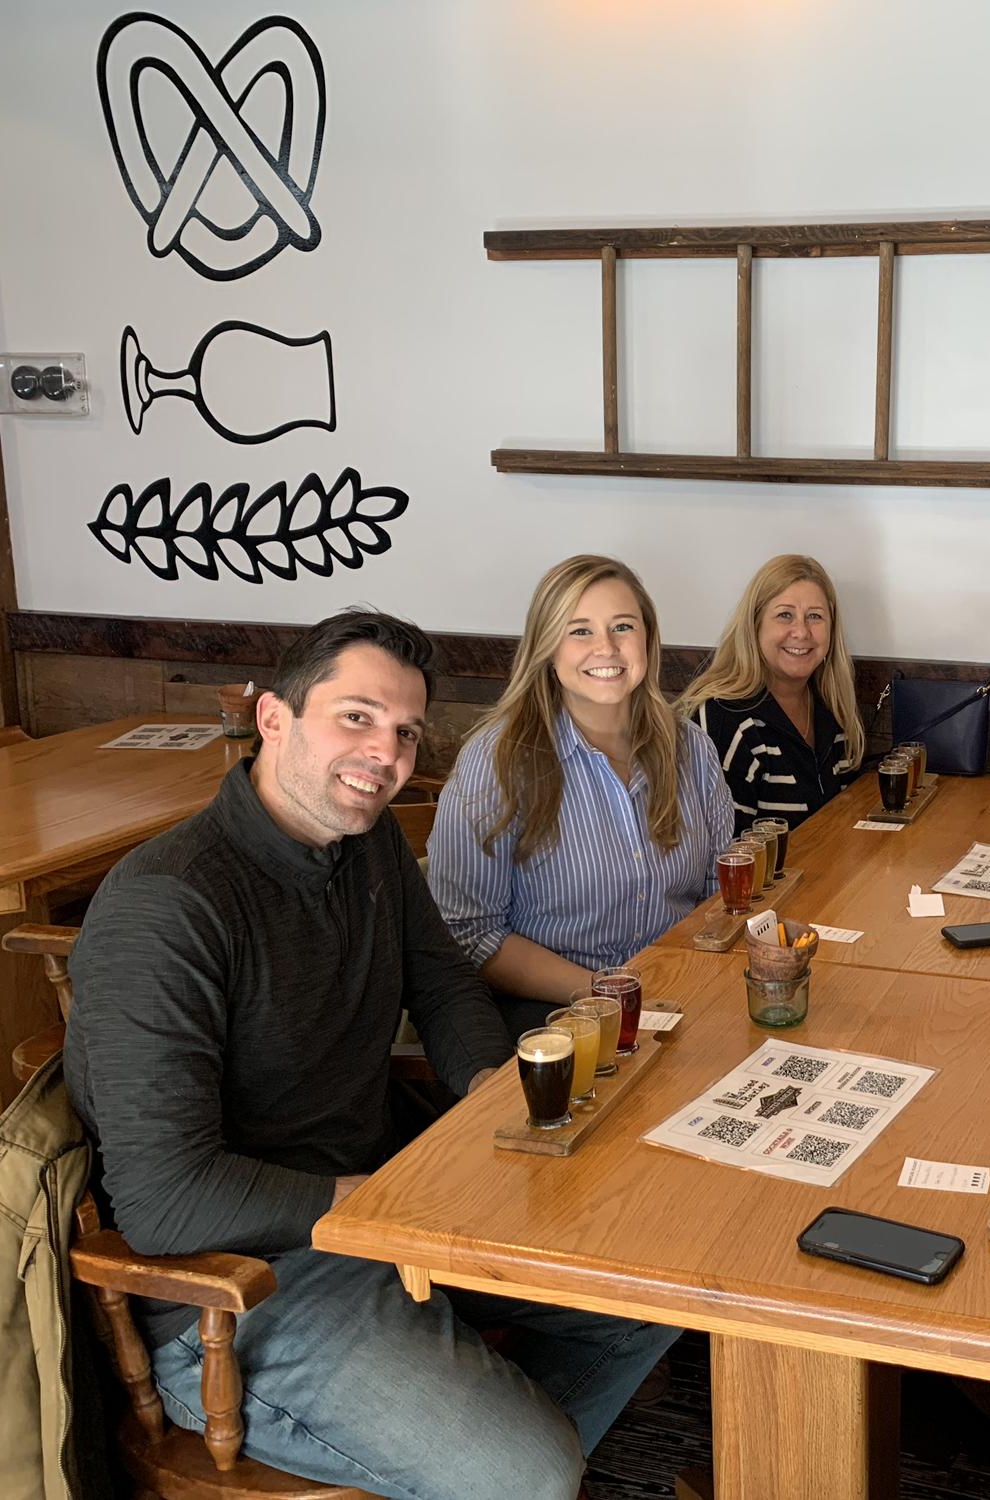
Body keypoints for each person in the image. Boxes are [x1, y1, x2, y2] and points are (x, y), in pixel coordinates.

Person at [65, 610, 680, 1500]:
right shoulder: (168, 906)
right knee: (533, 1471)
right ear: (274, 718)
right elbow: (164, 1202)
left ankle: (461, 1441)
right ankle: (491, 1456)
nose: (384, 754)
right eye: (355, 716)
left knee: (651, 1294)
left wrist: (485, 1097)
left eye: (404, 732)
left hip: (375, 1211)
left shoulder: (368, 844)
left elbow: (441, 985)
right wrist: (390, 1206)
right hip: (243, 1285)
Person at [429, 555, 734, 1036]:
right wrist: (607, 991)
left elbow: (719, 893)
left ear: (648, 641)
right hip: (550, 1013)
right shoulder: (498, 760)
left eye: (622, 627)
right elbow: (471, 933)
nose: (606, 648)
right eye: (580, 631)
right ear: (547, 647)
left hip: (679, 995)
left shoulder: (690, 748)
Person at [678, 553, 865, 832]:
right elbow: (724, 855)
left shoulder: (831, 705)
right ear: (755, 626)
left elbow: (847, 819)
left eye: (814, 616)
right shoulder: (723, 718)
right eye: (784, 615)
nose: (801, 631)